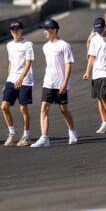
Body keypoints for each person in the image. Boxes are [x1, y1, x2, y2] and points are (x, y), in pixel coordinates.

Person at [31, 19, 77, 147]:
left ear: (54, 30)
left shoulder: (64, 45)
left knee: (63, 110)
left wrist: (65, 82)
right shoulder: (45, 47)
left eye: (47, 29)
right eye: (44, 29)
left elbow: (68, 65)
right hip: (48, 82)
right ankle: (44, 138)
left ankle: (72, 132)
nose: (45, 32)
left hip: (61, 82)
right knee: (44, 108)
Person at [83, 17, 106, 134]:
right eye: (96, 30)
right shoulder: (94, 39)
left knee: (104, 96)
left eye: (100, 29)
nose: (98, 32)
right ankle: (104, 123)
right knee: (99, 98)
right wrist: (87, 71)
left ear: (105, 27)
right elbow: (91, 57)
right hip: (96, 73)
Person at [0, 21, 34, 147]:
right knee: (4, 107)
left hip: (25, 80)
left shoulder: (28, 44)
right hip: (11, 79)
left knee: (23, 108)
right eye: (13, 30)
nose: (15, 31)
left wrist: (21, 78)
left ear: (21, 30)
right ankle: (12, 133)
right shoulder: (9, 45)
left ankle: (26, 136)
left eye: (17, 29)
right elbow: (10, 63)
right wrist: (8, 80)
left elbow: (28, 63)